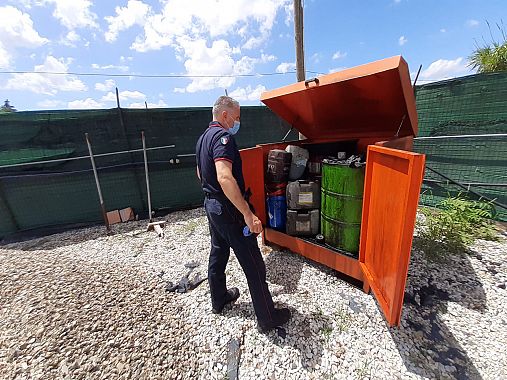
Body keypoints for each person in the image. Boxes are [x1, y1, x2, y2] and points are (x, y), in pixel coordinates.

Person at [195, 96, 290, 333]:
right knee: (253, 262)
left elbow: (200, 173)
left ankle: (219, 298)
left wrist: (214, 198)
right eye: (236, 117)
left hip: (212, 206)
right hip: (228, 209)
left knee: (218, 252)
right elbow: (224, 177)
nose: (237, 122)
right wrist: (247, 214)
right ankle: (268, 317)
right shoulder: (222, 138)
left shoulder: (203, 138)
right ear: (225, 115)